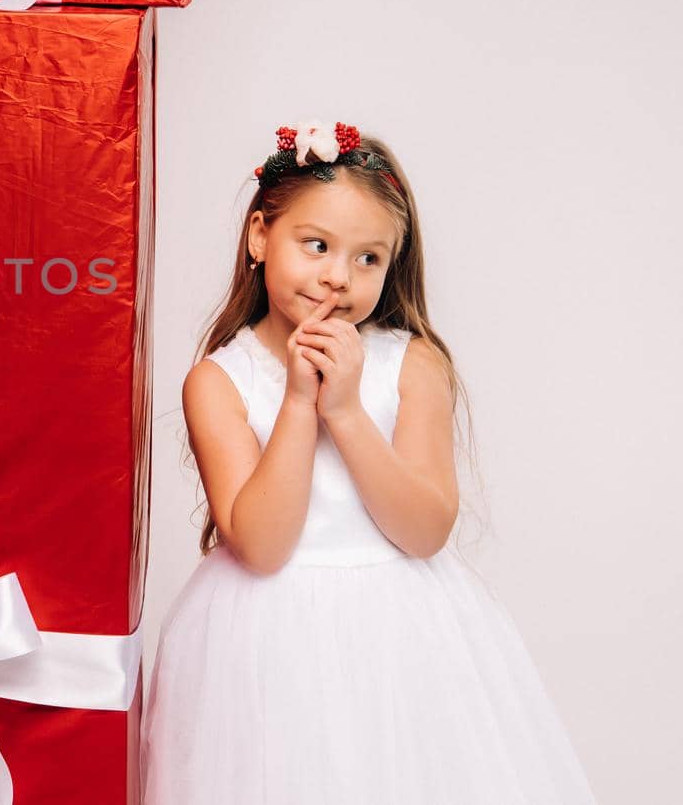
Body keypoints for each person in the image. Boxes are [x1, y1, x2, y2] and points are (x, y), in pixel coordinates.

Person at [141, 121, 597, 803]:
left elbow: (424, 529)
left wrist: (348, 411)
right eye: (317, 245)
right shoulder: (218, 381)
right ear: (261, 238)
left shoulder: (412, 364)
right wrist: (300, 401)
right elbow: (262, 545)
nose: (338, 276)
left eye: (368, 259)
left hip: (403, 642)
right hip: (264, 646)